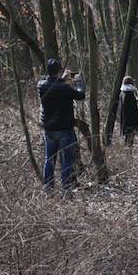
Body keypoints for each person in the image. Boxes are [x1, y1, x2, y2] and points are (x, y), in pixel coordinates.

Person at [38, 58, 85, 192]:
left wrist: (62, 79)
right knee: (66, 161)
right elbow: (81, 95)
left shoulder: (41, 85)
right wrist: (78, 82)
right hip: (64, 129)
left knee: (49, 159)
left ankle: (48, 188)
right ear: (59, 71)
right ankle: (66, 189)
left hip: (49, 130)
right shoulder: (64, 88)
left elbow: (53, 86)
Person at [119, 76, 138, 146]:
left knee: (127, 138)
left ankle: (127, 149)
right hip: (131, 120)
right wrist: (137, 119)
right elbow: (134, 109)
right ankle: (128, 150)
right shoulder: (130, 94)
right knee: (129, 139)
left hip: (124, 119)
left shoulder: (122, 92)